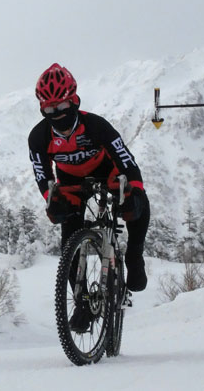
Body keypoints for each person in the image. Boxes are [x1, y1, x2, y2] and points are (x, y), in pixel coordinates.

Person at [28, 63, 150, 332]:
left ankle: (134, 256)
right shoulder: (38, 137)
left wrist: (136, 192)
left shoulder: (96, 126)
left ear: (74, 101)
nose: (56, 115)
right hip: (70, 181)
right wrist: (51, 197)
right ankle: (82, 303)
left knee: (134, 202)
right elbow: (42, 174)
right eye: (49, 110)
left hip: (108, 170)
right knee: (68, 241)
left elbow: (127, 162)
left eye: (61, 108)